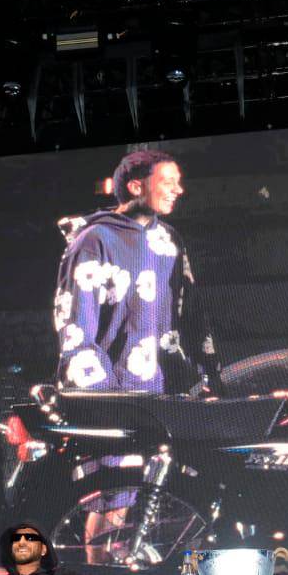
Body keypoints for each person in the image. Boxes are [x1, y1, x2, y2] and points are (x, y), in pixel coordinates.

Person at [53, 149, 222, 394]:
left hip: (171, 394)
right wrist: (107, 396)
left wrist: (209, 373)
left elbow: (192, 312)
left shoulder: (169, 239)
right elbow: (76, 331)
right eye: (168, 182)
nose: (179, 189)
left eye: (178, 182)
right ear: (135, 187)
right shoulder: (94, 241)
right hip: (114, 398)